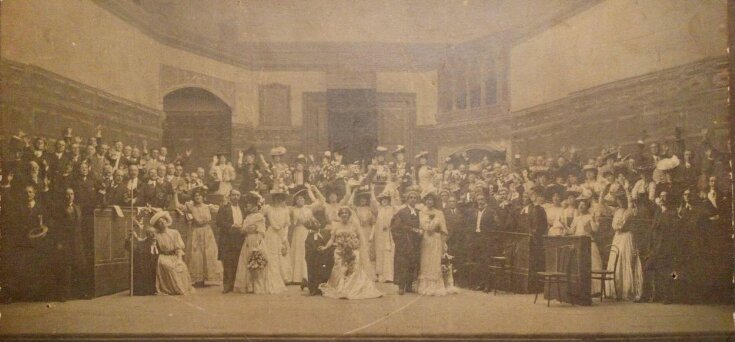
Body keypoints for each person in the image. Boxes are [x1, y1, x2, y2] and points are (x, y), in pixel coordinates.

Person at [318, 206, 383, 299]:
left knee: (354, 269)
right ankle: (340, 289)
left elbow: (360, 239)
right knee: (340, 269)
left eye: (346, 213)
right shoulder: (336, 226)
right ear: (340, 215)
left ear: (349, 215)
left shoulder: (354, 226)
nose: (344, 215)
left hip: (352, 251)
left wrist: (355, 246)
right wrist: (325, 247)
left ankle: (351, 289)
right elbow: (332, 239)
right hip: (339, 252)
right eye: (342, 213)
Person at [638, 192, 678, 304]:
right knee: (646, 269)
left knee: (670, 273)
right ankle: (645, 296)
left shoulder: (672, 213)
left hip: (666, 250)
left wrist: (664, 210)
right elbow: (653, 230)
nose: (662, 198)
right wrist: (650, 247)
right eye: (661, 196)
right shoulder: (658, 212)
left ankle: (668, 297)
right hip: (655, 249)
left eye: (664, 196)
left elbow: (670, 231)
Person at [604, 189, 643, 301]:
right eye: (619, 199)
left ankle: (626, 290)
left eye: (622, 199)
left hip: (626, 237)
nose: (621, 201)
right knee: (616, 258)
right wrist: (617, 226)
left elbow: (623, 225)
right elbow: (614, 225)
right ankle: (616, 290)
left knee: (625, 258)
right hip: (618, 237)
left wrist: (619, 226)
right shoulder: (617, 211)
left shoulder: (630, 211)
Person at [51, 188, 88, 300]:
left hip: (77, 243)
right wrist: (59, 242)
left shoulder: (78, 208)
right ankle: (64, 295)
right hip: (65, 243)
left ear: (74, 196)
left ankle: (82, 293)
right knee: (65, 269)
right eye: (67, 194)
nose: (69, 196)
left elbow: (80, 227)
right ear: (64, 196)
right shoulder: (59, 209)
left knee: (80, 267)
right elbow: (57, 228)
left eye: (71, 194)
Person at [182, 187, 223, 287]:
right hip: (196, 231)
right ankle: (198, 279)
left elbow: (221, 211)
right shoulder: (191, 207)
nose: (197, 198)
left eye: (199, 196)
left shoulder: (208, 207)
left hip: (207, 232)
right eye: (195, 196)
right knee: (196, 254)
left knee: (208, 253)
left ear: (203, 197)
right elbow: (179, 207)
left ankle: (208, 277)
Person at [233, 191, 273, 294]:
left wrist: (257, 244)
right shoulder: (247, 217)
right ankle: (248, 286)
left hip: (256, 240)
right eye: (248, 204)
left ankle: (257, 286)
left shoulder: (259, 217)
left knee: (256, 260)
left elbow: (261, 231)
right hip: (247, 240)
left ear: (256, 206)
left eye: (250, 204)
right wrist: (247, 229)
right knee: (246, 261)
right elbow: (242, 230)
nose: (248, 206)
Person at [150, 211, 193, 295]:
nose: (162, 223)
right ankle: (174, 289)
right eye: (159, 222)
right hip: (163, 256)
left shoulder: (174, 233)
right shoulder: (156, 235)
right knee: (169, 267)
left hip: (174, 256)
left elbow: (179, 248)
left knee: (182, 267)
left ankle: (183, 288)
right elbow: (152, 247)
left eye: (164, 221)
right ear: (157, 225)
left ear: (167, 221)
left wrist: (179, 260)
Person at [565, 197, 602, 295]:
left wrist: (593, 221)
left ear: (587, 207)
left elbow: (595, 230)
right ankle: (579, 289)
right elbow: (571, 231)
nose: (581, 206)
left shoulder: (590, 217)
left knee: (592, 265)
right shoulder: (576, 218)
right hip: (578, 244)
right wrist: (564, 226)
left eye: (584, 205)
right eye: (580, 205)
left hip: (588, 244)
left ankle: (594, 290)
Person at [390, 186, 423, 295]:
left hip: (416, 242)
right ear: (407, 199)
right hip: (404, 242)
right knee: (402, 263)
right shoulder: (401, 212)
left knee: (412, 263)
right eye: (411, 198)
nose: (413, 199)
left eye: (415, 198)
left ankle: (409, 285)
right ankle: (401, 286)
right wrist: (402, 239)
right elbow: (395, 227)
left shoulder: (419, 212)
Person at [417, 191, 449, 296]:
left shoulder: (439, 213)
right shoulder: (421, 212)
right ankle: (425, 286)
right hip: (426, 239)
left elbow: (444, 229)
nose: (429, 201)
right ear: (425, 201)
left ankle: (435, 286)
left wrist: (443, 242)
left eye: (431, 200)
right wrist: (434, 221)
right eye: (427, 200)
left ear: (434, 202)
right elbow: (426, 227)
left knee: (435, 261)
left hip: (436, 239)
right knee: (426, 261)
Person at [464, 191, 497, 291]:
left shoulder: (490, 211)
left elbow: (495, 225)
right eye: (478, 199)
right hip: (476, 238)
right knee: (478, 261)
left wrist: (489, 236)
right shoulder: (474, 212)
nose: (480, 201)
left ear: (485, 200)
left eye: (482, 199)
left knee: (486, 262)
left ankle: (487, 285)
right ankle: (480, 283)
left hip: (486, 239)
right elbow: (469, 225)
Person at [216, 189, 246, 293]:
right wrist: (232, 226)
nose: (236, 197)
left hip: (239, 237)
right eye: (233, 195)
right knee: (228, 262)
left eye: (238, 195)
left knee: (237, 261)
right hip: (227, 238)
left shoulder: (243, 208)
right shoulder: (224, 208)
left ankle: (234, 284)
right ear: (230, 196)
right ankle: (227, 286)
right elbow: (219, 222)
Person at [289, 186, 319, 288]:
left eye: (302, 199)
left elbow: (318, 202)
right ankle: (297, 277)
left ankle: (306, 275)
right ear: (295, 201)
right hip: (298, 232)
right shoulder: (293, 210)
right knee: (298, 252)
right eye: (298, 199)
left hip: (307, 232)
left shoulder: (308, 208)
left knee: (307, 251)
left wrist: (310, 191)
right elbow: (292, 223)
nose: (300, 200)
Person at [262, 186, 292, 286]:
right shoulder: (268, 208)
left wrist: (284, 237)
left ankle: (284, 277)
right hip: (272, 233)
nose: (278, 200)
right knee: (272, 253)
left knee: (282, 253)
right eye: (276, 198)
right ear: (273, 199)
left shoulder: (285, 211)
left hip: (282, 234)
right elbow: (270, 221)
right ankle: (273, 276)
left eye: (280, 198)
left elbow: (287, 225)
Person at [124, 226, 158, 296]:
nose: (154, 235)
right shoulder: (143, 244)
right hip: (148, 267)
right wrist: (129, 238)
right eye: (151, 233)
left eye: (155, 232)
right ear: (147, 235)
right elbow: (131, 248)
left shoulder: (158, 242)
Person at [304, 216, 333, 296]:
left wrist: (326, 250)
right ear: (310, 226)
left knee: (327, 268)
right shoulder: (310, 236)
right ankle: (313, 288)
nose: (316, 224)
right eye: (313, 224)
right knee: (314, 269)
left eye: (317, 222)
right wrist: (316, 251)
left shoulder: (325, 232)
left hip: (327, 255)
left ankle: (324, 286)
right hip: (316, 257)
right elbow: (308, 249)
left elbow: (330, 242)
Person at [373, 190, 397, 283]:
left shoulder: (392, 209)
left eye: (386, 200)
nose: (384, 201)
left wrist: (388, 225)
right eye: (383, 200)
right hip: (380, 234)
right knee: (380, 252)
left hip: (389, 233)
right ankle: (381, 275)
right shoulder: (380, 210)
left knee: (388, 252)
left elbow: (393, 220)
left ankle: (389, 276)